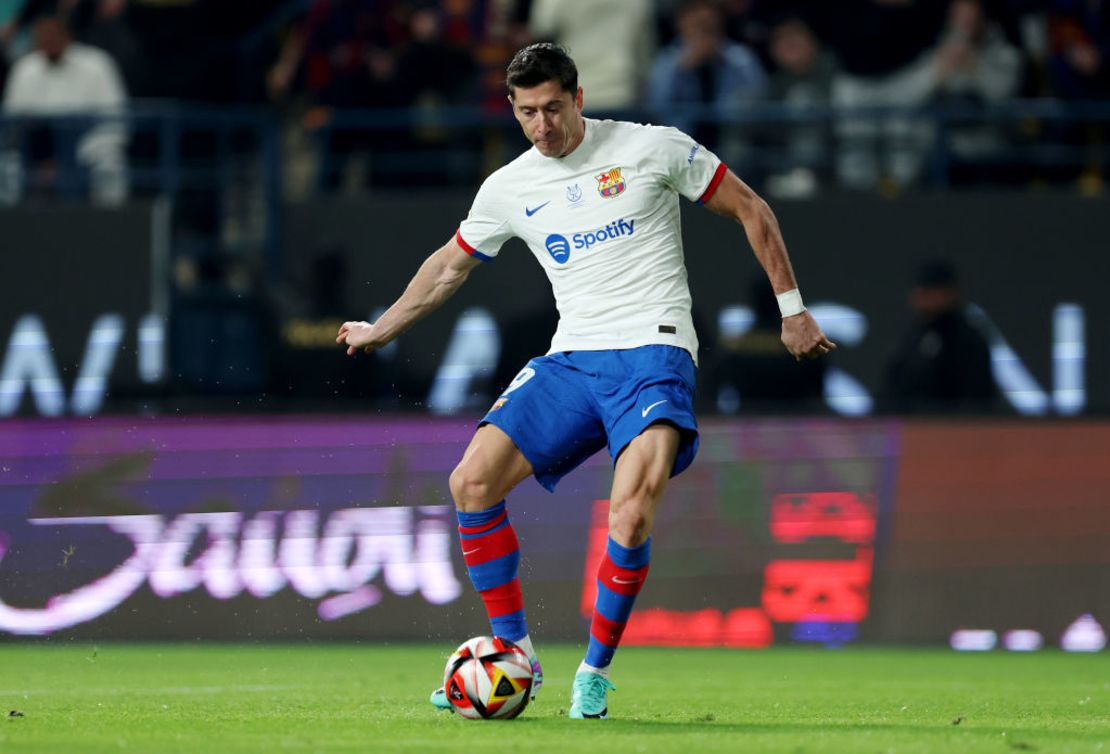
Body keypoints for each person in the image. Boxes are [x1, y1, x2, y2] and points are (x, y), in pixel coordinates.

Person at [336, 42, 834, 720]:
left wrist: (793, 310)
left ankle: (594, 674)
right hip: (572, 358)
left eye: (550, 109)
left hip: (655, 354)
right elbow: (448, 267)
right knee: (470, 483)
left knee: (630, 514)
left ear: (577, 98)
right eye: (525, 113)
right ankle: (517, 658)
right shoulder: (509, 187)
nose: (541, 126)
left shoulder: (652, 148)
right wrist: (382, 327)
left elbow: (752, 209)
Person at [0, 12, 127, 205]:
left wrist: (72, 156)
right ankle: (10, 226)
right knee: (7, 166)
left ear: (66, 35)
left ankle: (110, 225)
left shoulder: (96, 64)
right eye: (41, 35)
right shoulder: (25, 68)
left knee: (110, 165)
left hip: (86, 146)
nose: (46, 40)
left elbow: (116, 120)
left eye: (51, 34)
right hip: (35, 149)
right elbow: (12, 120)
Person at [882, 260, 998, 414]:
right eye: (920, 290)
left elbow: (976, 399)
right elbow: (892, 387)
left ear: (950, 293)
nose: (922, 297)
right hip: (910, 428)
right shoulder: (913, 336)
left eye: (930, 291)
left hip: (955, 429)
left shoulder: (968, 340)